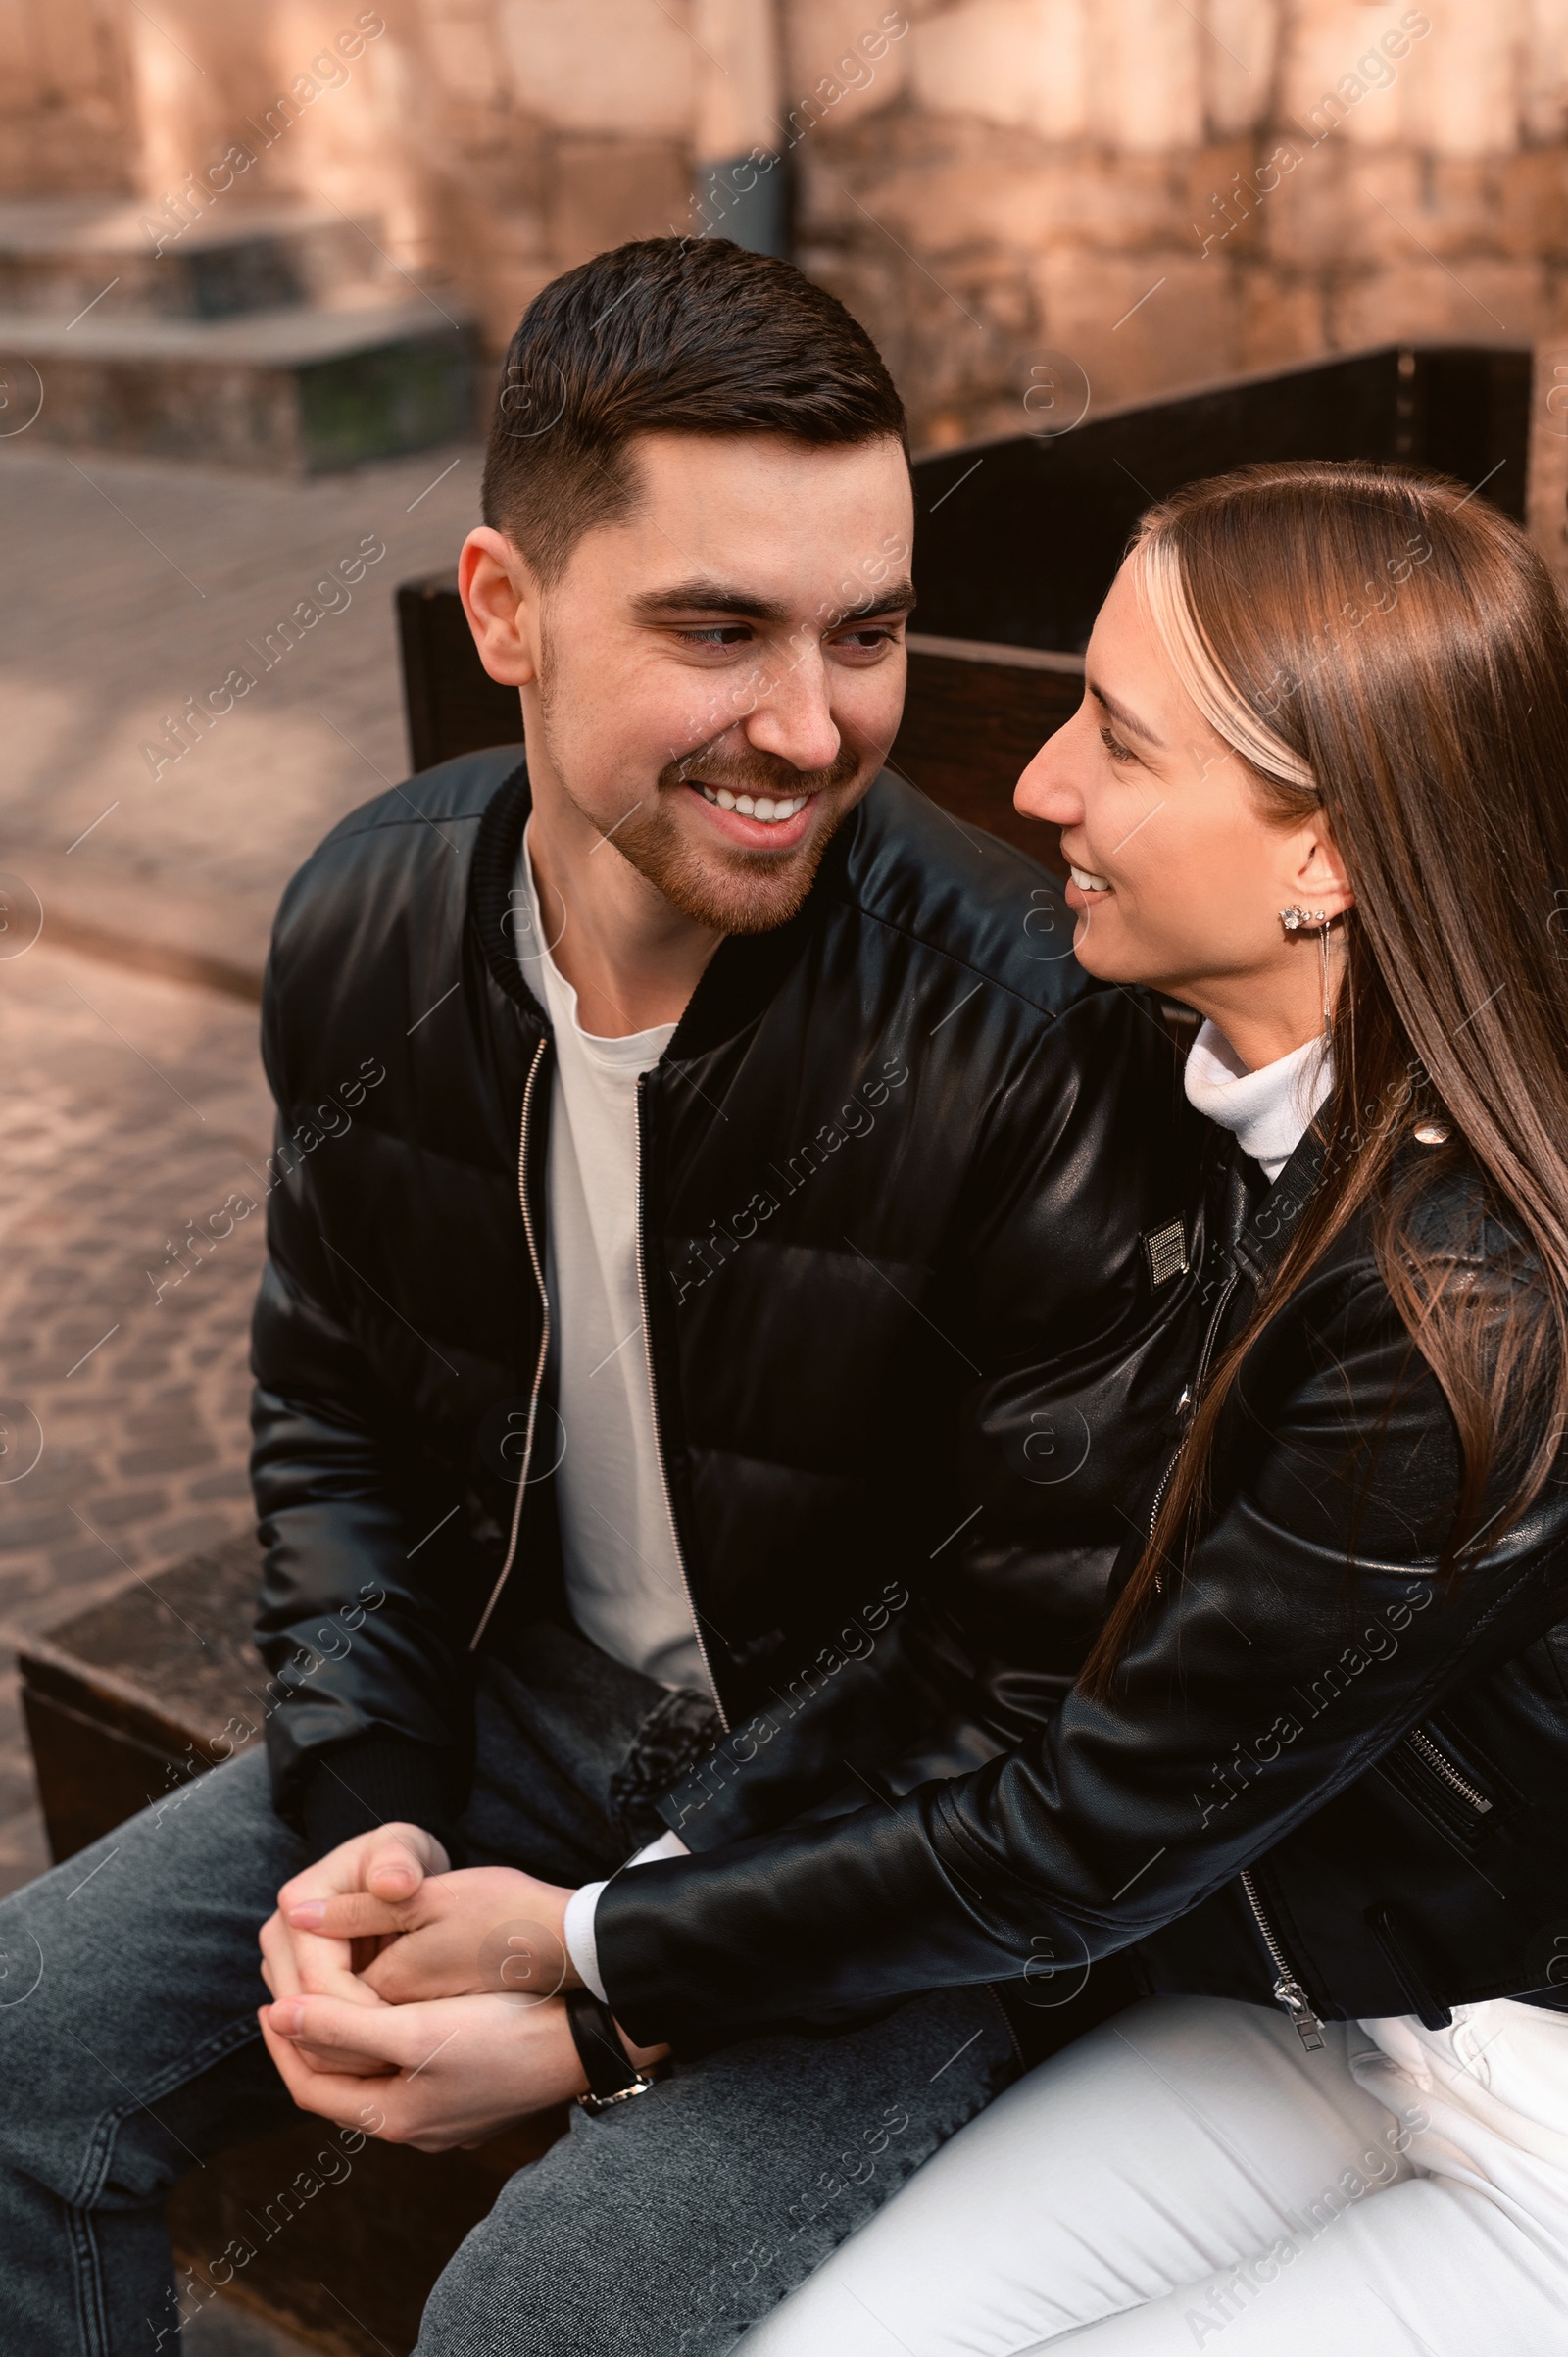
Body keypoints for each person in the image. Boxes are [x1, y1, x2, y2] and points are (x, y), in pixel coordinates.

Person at [0, 238, 1203, 2354]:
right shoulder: (365, 924)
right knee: (19, 2065)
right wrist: (369, 1798)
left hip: (896, 1826)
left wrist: (603, 1968)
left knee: (531, 2320)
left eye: (865, 634)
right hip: (525, 1716)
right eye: (715, 630)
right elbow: (336, 1411)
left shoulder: (1029, 1028)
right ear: (504, 613)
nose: (808, 725)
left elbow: (1029, 1671)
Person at [271, 461, 1568, 2355]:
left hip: (1524, 2095)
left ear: (1332, 858)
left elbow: (1083, 1830)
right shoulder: (1199, 1113)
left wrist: (586, 1979)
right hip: (1296, 2009)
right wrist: (617, 1903)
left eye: (1118, 744)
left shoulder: (1454, 1308)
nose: (1039, 783)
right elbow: (994, 1619)